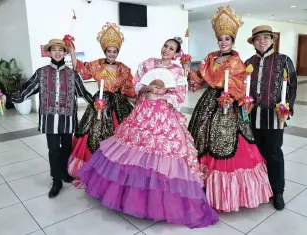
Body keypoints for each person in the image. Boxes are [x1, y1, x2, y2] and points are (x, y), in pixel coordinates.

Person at [77, 37, 219, 228]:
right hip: (143, 111)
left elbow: (179, 96)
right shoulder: (148, 63)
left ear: (177, 54)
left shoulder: (177, 71)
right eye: (165, 46)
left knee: (162, 155)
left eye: (171, 49)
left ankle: (154, 202)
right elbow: (136, 86)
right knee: (133, 151)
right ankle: (130, 197)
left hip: (163, 114)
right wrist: (147, 88)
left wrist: (161, 94)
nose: (166, 50)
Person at [185, 6, 272, 212]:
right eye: (220, 39)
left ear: (233, 41)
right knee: (201, 138)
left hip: (228, 103)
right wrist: (189, 72)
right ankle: (201, 185)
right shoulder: (210, 58)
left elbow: (241, 85)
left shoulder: (236, 61)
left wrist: (231, 96)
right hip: (208, 102)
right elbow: (199, 81)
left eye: (227, 39)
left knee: (229, 143)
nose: (223, 43)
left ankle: (228, 194)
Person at [10, 39, 94, 198]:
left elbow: (82, 92)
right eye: (54, 50)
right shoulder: (41, 73)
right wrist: (10, 96)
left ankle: (62, 171)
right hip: (50, 120)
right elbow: (28, 89)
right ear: (49, 53)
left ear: (65, 53)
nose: (57, 53)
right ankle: (57, 180)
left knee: (67, 147)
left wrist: (97, 102)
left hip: (67, 119)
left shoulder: (72, 74)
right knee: (54, 149)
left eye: (60, 50)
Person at [67, 22, 136, 187]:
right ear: (105, 51)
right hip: (100, 103)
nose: (112, 54)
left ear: (118, 52)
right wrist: (71, 50)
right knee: (94, 133)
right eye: (109, 51)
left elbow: (129, 90)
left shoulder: (124, 69)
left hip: (119, 105)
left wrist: (140, 103)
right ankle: (94, 167)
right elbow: (80, 69)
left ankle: (117, 169)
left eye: (115, 51)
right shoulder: (96, 64)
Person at [245, 25, 297, 210]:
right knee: (255, 155)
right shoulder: (248, 62)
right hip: (252, 117)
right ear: (254, 43)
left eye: (266, 37)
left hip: (274, 117)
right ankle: (259, 188)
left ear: (272, 40)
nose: (262, 41)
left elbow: (291, 87)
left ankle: (278, 191)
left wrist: (286, 109)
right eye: (258, 38)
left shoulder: (283, 61)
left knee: (274, 153)